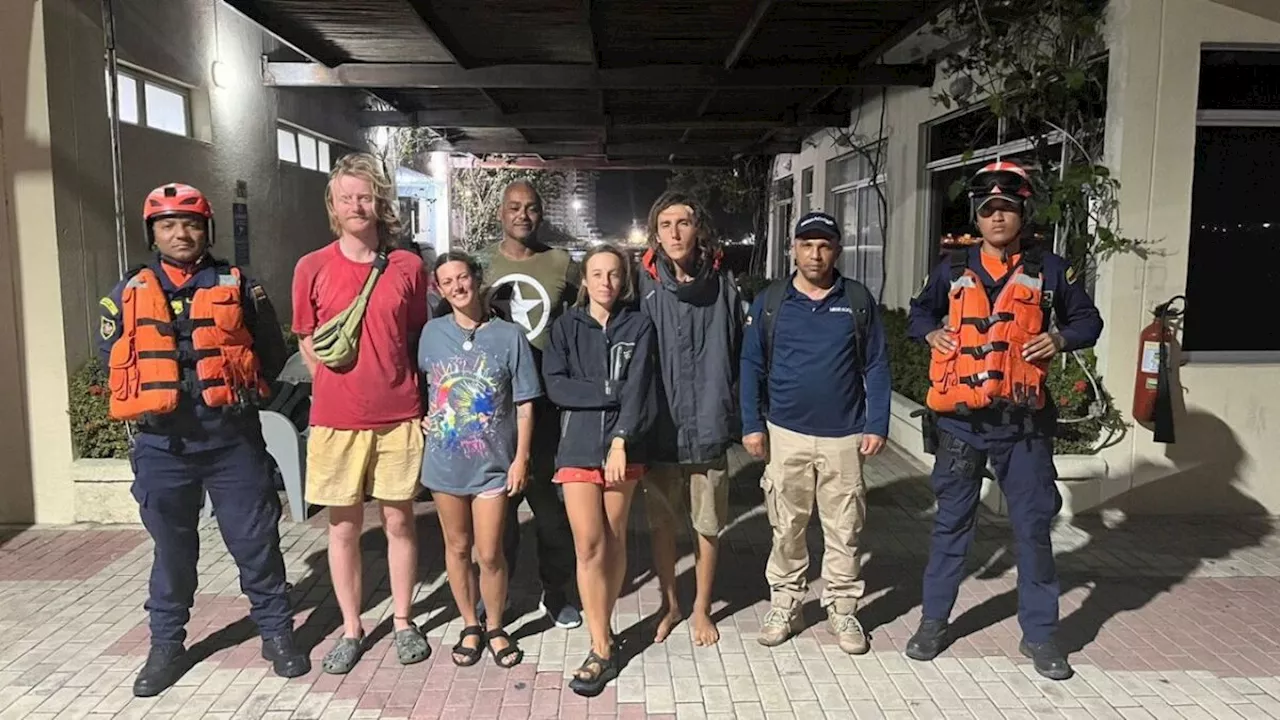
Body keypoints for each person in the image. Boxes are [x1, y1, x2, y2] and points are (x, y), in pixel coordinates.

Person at [97, 183, 308, 696]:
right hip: (162, 446)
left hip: (231, 441)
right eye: (167, 225)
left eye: (190, 224)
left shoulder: (241, 286)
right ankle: (166, 645)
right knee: (172, 552)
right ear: (153, 233)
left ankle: (278, 634)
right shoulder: (126, 292)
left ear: (206, 229)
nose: (180, 233)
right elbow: (112, 358)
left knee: (256, 544)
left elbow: (271, 353)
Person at [905, 160, 1104, 681]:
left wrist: (1060, 339)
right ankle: (933, 622)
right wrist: (931, 334)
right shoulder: (950, 267)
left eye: (1007, 209)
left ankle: (1041, 636)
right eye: (988, 209)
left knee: (1033, 529)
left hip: (1024, 425)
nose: (997, 217)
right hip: (961, 424)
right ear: (978, 215)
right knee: (951, 524)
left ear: (1022, 214)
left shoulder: (1052, 270)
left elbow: (1089, 321)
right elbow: (918, 315)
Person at [291, 152, 431, 674]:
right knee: (343, 527)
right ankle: (352, 627)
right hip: (335, 420)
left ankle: (402, 620)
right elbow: (305, 334)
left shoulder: (408, 267)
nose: (356, 204)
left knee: (401, 522)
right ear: (332, 205)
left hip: (400, 416)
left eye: (365, 196)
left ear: (380, 203)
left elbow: (414, 332)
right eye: (347, 196)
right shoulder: (312, 266)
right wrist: (331, 380)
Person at [739, 211, 891, 654]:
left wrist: (876, 423)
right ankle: (786, 602)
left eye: (824, 245)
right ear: (793, 249)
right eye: (807, 244)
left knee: (844, 527)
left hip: (844, 436)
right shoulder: (772, 301)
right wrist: (752, 424)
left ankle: (843, 611)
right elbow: (750, 365)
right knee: (786, 526)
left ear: (837, 251)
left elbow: (877, 365)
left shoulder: (857, 300)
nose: (815, 253)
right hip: (785, 432)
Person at [542, 245, 656, 696]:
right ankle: (600, 644)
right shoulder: (566, 327)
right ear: (584, 281)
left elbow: (641, 387)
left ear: (623, 279)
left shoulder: (638, 324)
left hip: (622, 449)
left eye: (613, 274)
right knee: (588, 545)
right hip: (577, 448)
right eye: (596, 273)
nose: (605, 281)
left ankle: (604, 629)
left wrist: (622, 439)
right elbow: (558, 386)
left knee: (613, 538)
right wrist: (610, 389)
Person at [637, 190, 746, 646]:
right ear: (655, 234)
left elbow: (743, 351)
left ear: (698, 227)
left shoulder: (725, 284)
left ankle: (701, 607)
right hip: (660, 429)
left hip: (708, 425)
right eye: (665, 225)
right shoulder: (643, 285)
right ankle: (671, 604)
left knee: (707, 525)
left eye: (683, 223)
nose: (675, 233)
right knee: (662, 525)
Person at [419, 251, 535, 670]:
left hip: (492, 466)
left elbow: (524, 405)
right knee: (457, 546)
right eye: (447, 282)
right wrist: (421, 417)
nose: (457, 287)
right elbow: (421, 386)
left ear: (477, 278)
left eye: (462, 277)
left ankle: (497, 625)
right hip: (444, 464)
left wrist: (521, 459)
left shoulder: (509, 336)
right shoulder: (431, 333)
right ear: (440, 288)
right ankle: (470, 623)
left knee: (489, 552)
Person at [477, 180, 581, 628]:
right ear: (501, 213)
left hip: (547, 406)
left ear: (542, 214)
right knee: (495, 509)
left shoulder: (561, 263)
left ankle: (556, 592)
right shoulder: (481, 262)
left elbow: (580, 321)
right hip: (494, 407)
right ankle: (495, 595)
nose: (523, 215)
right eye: (514, 207)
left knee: (551, 510)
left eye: (532, 208)